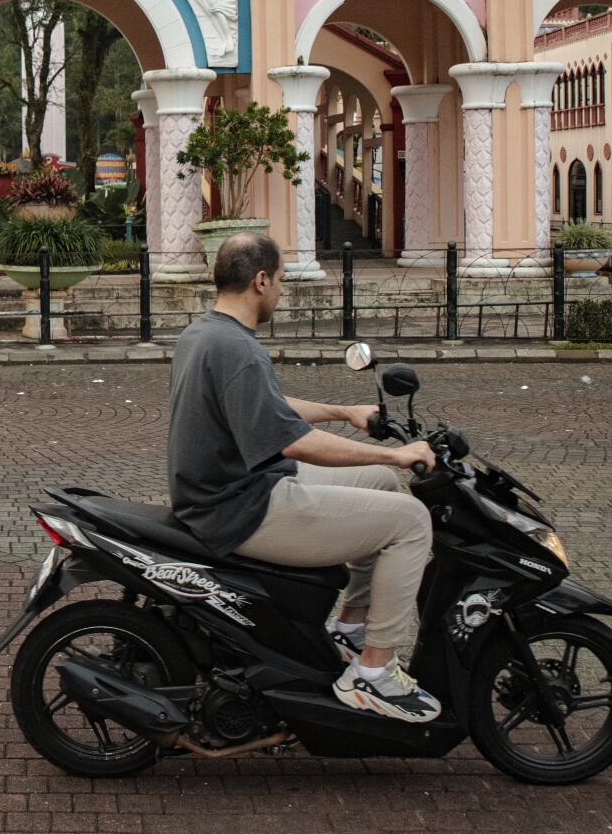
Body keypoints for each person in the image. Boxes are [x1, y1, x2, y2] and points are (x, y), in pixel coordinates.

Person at [166, 230, 443, 723]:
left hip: (234, 489)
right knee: (411, 521)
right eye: (281, 281)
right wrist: (395, 456)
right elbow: (294, 442)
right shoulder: (238, 348)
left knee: (382, 492)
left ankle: (353, 629)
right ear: (260, 280)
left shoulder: (205, 333)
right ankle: (373, 675)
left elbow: (267, 407)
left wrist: (344, 411)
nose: (281, 292)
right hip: (240, 507)